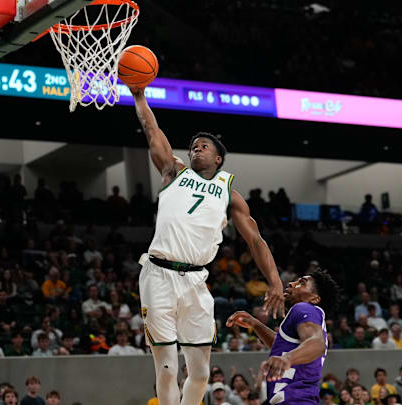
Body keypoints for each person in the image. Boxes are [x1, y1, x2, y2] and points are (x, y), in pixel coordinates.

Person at [130, 86, 285, 405]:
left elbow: (255, 239)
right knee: (168, 366)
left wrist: (275, 281)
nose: (195, 149)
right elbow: (152, 129)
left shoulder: (229, 192)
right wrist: (139, 96)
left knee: (200, 373)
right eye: (193, 147)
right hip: (158, 274)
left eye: (203, 146)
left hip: (196, 282)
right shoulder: (174, 171)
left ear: (218, 158)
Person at [227, 269, 340, 404]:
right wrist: (256, 325)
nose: (292, 283)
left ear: (314, 298)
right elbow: (282, 345)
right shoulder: (308, 317)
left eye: (301, 283)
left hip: (295, 400)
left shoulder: (304, 308)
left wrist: (287, 359)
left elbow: (317, 343)